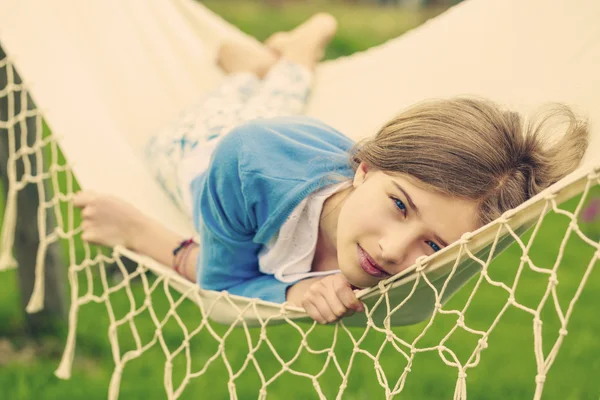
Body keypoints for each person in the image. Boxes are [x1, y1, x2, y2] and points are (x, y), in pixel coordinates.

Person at [73, 13, 589, 325]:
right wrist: (291, 291)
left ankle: (274, 66)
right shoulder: (248, 162)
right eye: (399, 205)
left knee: (277, 102)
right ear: (364, 169)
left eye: (433, 246)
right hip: (207, 153)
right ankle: (279, 58)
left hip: (292, 138)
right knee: (230, 109)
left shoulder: (418, 256)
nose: (391, 249)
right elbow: (222, 283)